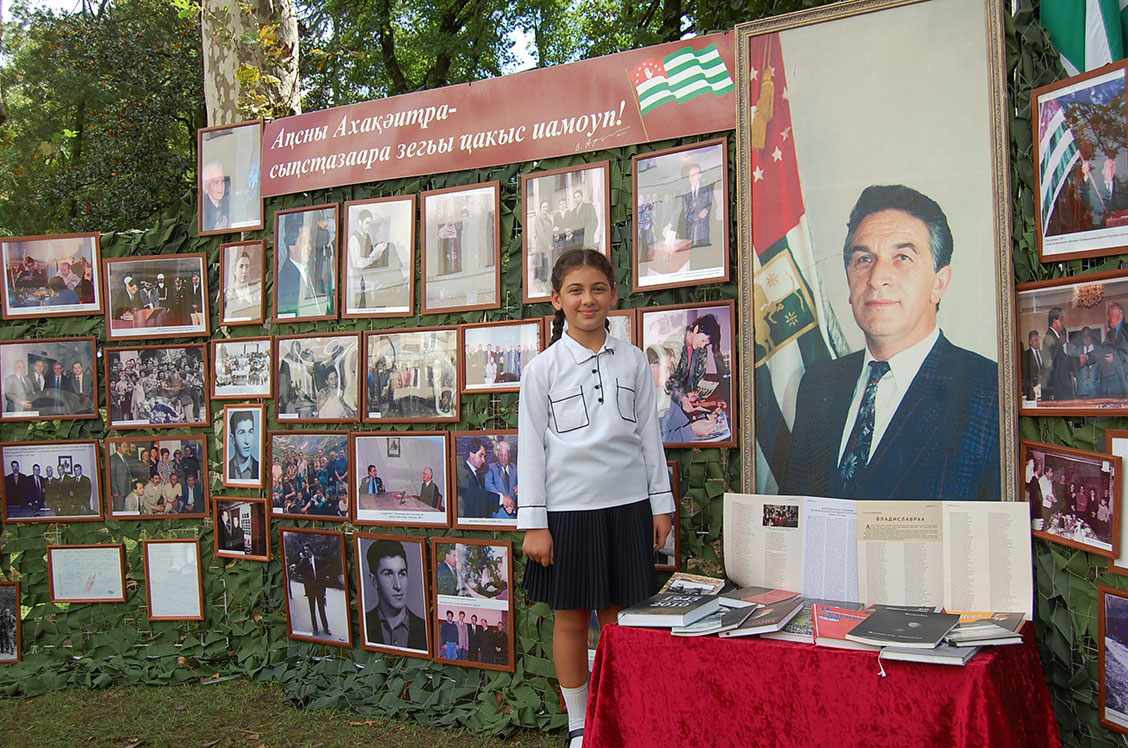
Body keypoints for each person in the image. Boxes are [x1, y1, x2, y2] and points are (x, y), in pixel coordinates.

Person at [518, 248, 673, 748]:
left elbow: (649, 436)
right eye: (576, 290)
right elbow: (531, 450)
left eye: (598, 289)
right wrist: (535, 524)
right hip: (568, 513)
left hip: (628, 508)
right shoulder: (542, 370)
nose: (588, 299)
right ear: (556, 299)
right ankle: (580, 724)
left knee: (620, 620)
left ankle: (622, 717)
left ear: (613, 295)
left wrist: (660, 504)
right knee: (570, 619)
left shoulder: (634, 360)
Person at [780, 185, 1000, 501]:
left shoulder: (990, 392)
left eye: (902, 257)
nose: (876, 277)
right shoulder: (818, 385)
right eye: (864, 259)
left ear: (939, 283)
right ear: (849, 280)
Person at [364, 540, 427, 650]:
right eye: (388, 574)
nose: (398, 585)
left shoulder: (425, 628)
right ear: (374, 581)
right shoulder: (364, 625)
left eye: (402, 574)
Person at [276, 218, 325, 318]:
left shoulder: (312, 272)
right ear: (291, 246)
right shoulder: (283, 279)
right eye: (303, 241)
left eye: (310, 241)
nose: (309, 247)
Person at [458, 437, 504, 520]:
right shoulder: (461, 471)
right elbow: (475, 495)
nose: (483, 460)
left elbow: (482, 502)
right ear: (471, 454)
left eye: (484, 456)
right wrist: (502, 499)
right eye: (480, 455)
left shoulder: (480, 477)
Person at [293, 542, 332, 637]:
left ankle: (326, 628)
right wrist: (295, 567)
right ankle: (315, 628)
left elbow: (324, 573)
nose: (306, 552)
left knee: (321, 609)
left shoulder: (318, 561)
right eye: (305, 550)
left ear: (311, 550)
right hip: (310, 588)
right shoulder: (304, 561)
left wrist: (324, 588)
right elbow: (299, 570)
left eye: (307, 549)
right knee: (312, 609)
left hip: (319, 588)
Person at [484, 439, 518, 518]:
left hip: (514, 514)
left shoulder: (515, 468)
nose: (503, 458)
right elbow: (487, 485)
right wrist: (503, 499)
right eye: (500, 455)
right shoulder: (491, 468)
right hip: (498, 515)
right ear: (497, 455)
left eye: (505, 455)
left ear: (509, 454)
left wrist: (513, 505)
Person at [227, 409, 259, 482]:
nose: (247, 441)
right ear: (233, 439)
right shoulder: (226, 469)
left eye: (250, 432)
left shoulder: (260, 468)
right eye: (241, 433)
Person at [225, 251, 257, 320]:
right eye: (241, 266)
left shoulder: (256, 295)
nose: (244, 271)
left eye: (247, 267)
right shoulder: (226, 295)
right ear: (234, 270)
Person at [201, 160, 230, 232]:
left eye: (222, 181)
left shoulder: (228, 204)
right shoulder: (203, 211)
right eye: (216, 182)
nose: (221, 186)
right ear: (206, 187)